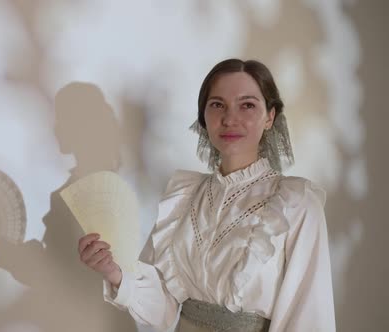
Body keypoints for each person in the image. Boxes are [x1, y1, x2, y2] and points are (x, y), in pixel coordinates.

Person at [78, 59, 336, 331]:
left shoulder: (296, 203)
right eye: (217, 105)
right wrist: (113, 272)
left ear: (270, 116)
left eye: (247, 105)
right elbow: (163, 309)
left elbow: (308, 316)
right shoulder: (184, 197)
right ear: (204, 116)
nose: (229, 118)